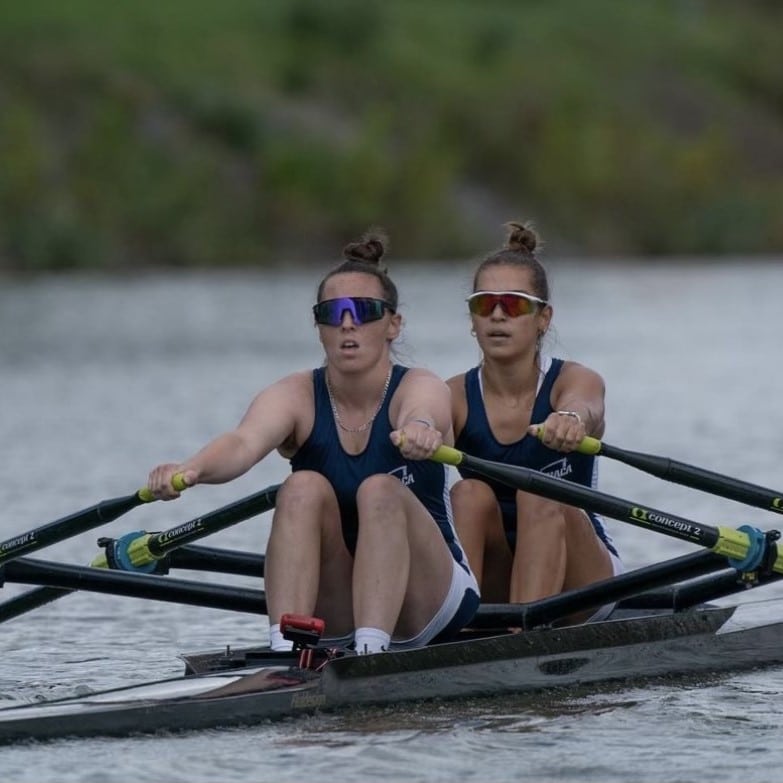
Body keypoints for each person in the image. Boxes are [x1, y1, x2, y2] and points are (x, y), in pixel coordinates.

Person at [147, 231, 479, 654]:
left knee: (379, 489)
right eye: (331, 313)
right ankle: (286, 650)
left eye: (364, 311)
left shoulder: (419, 385)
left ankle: (371, 653)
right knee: (301, 487)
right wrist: (188, 470)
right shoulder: (297, 394)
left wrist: (420, 428)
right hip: (343, 599)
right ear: (318, 326)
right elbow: (242, 443)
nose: (346, 324)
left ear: (393, 324)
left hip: (430, 599)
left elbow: (424, 411)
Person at [447, 221, 621, 624]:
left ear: (543, 318)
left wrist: (571, 418)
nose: (496, 316)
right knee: (468, 494)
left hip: (582, 580)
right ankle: (452, 633)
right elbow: (422, 420)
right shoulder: (452, 395)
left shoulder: (574, 379)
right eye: (483, 304)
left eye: (514, 304)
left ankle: (517, 640)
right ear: (472, 320)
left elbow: (585, 404)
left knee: (539, 491)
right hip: (498, 572)